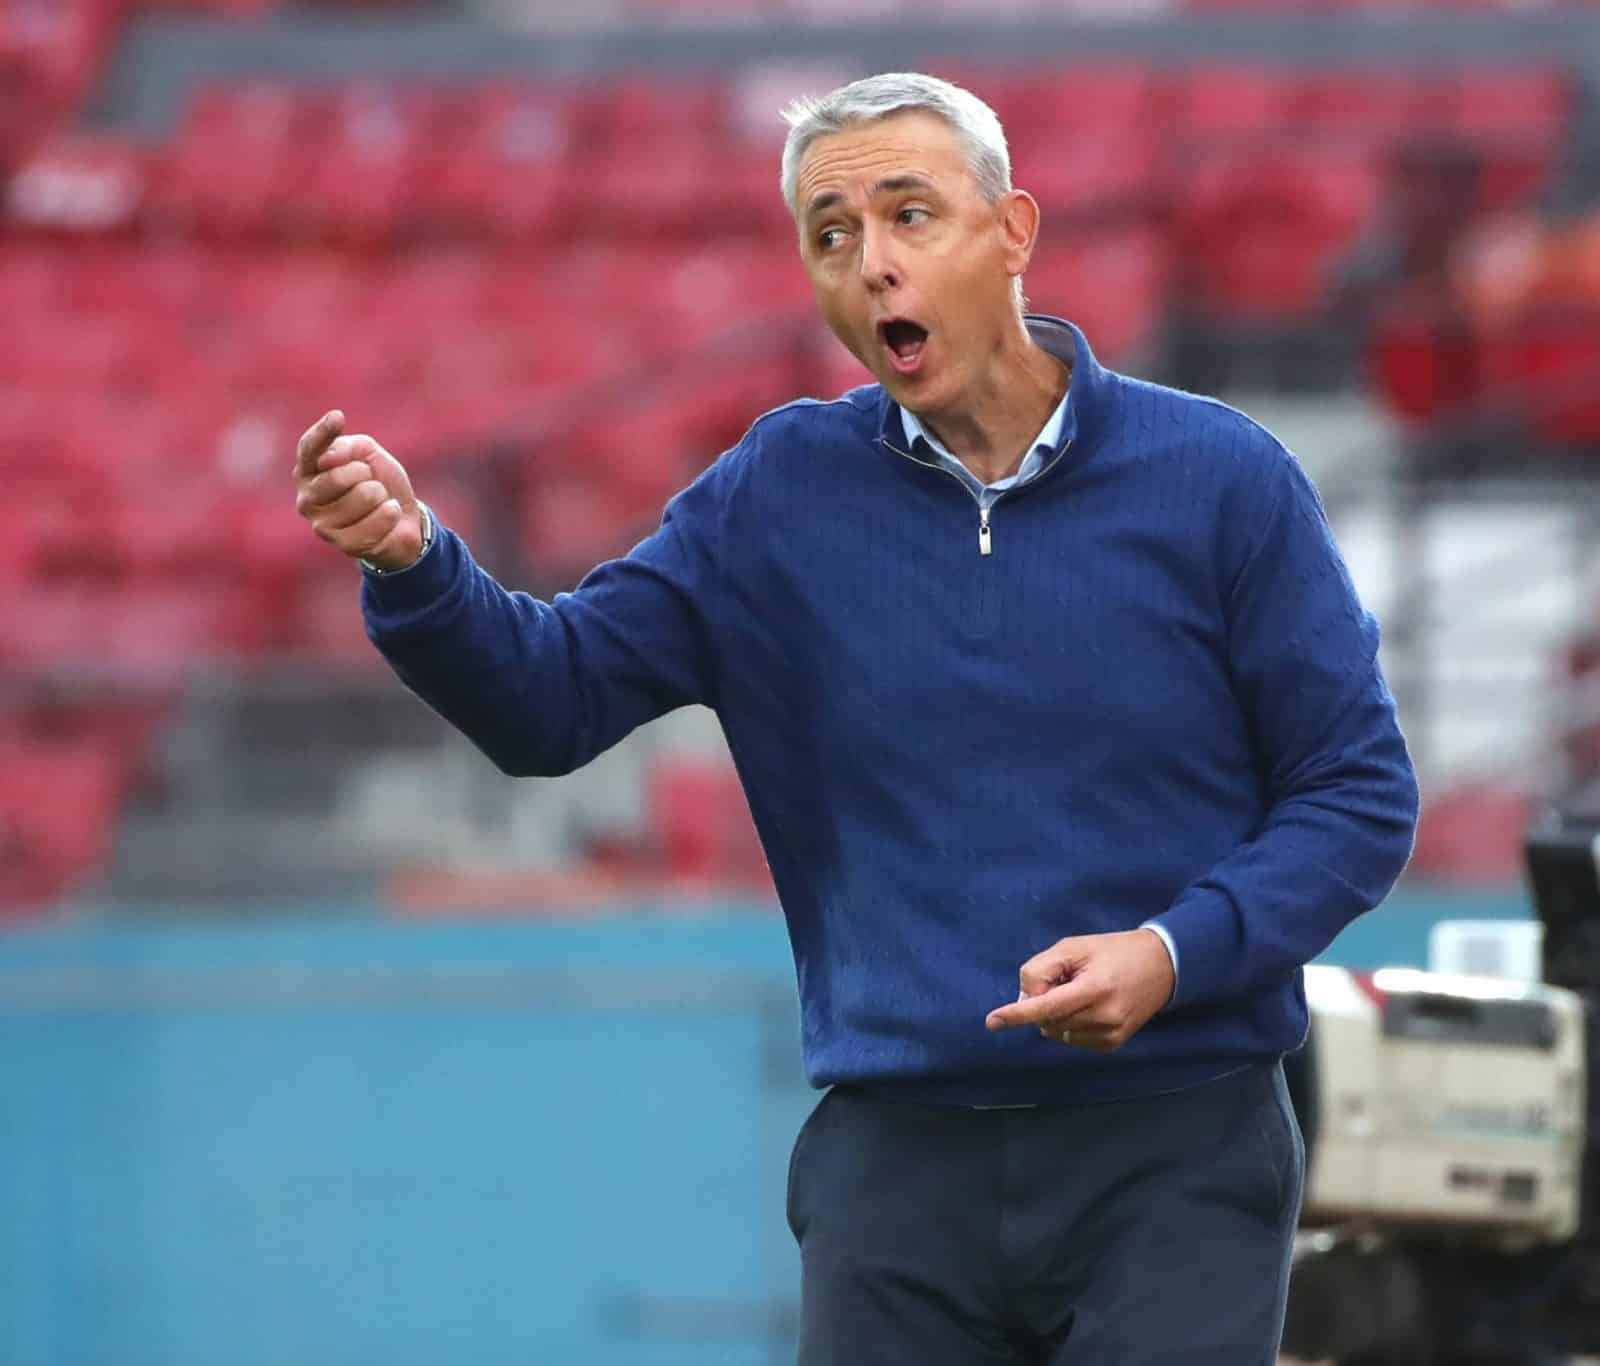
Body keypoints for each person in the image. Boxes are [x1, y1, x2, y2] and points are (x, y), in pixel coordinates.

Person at [292, 71, 1420, 1364]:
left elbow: (1356, 797)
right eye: (832, 237)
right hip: (897, 1166)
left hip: (1180, 1141)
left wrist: (1171, 952)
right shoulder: (777, 495)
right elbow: (553, 701)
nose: (871, 264)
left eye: (909, 215)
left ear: (1012, 233)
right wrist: (415, 567)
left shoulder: (1223, 481)